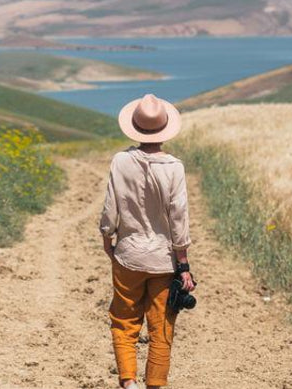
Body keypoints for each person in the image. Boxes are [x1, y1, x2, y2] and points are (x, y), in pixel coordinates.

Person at [99, 93, 196, 389]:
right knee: (161, 326)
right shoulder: (174, 167)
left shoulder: (121, 161)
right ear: (165, 129)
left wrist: (107, 237)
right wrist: (184, 265)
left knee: (124, 321)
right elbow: (178, 218)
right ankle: (155, 384)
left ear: (135, 128)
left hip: (127, 255)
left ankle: (128, 382)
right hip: (163, 261)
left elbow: (110, 208)